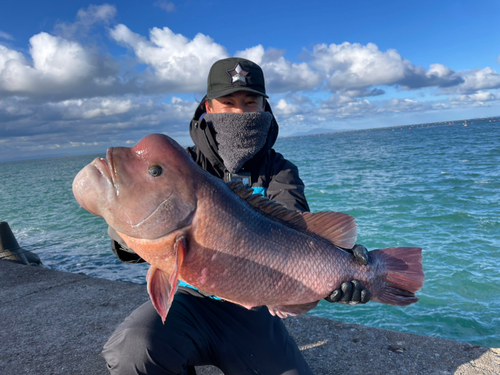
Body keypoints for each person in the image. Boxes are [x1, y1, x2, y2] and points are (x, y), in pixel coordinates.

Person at [102, 57, 371, 374]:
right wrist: (129, 230)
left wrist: (339, 269)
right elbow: (127, 250)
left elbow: (298, 231)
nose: (240, 112)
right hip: (189, 301)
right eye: (227, 103)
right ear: (208, 108)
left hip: (254, 309)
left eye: (249, 101)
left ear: (263, 108)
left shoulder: (279, 170)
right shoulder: (180, 166)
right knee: (133, 349)